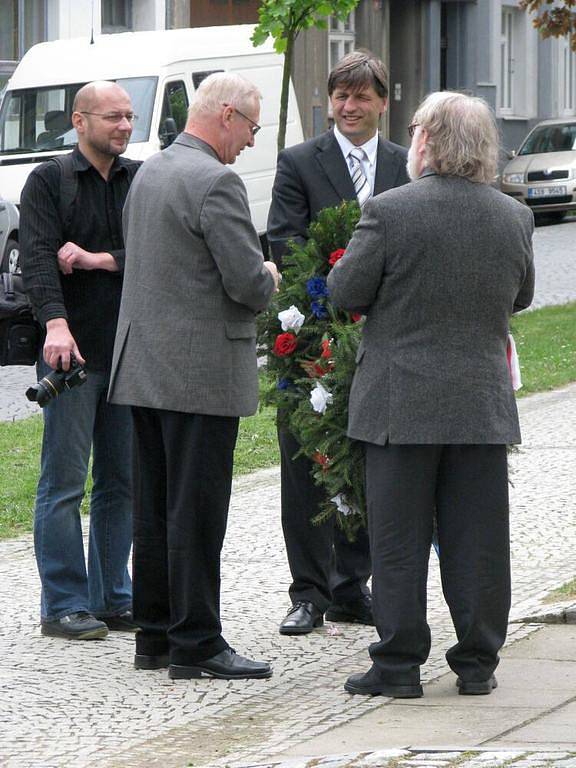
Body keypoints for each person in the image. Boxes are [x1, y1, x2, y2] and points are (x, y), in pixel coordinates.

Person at [328, 91, 535, 698]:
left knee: (399, 541)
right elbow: (519, 297)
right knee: (479, 542)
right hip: (479, 402)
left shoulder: (389, 211)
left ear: (429, 141)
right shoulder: (512, 216)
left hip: (399, 404)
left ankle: (397, 667)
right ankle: (477, 665)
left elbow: (345, 292)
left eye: (416, 129)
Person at [108, 72, 279, 680]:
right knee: (197, 511)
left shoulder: (149, 171)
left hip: (145, 368)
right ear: (227, 114)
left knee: (153, 510)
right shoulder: (216, 180)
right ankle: (199, 643)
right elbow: (246, 283)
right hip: (199, 372)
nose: (252, 143)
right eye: (253, 128)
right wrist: (270, 274)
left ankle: (153, 637)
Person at [267, 51, 410, 636]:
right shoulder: (299, 161)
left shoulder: (405, 165)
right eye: (340, 97)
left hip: (384, 335)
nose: (349, 108)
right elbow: (284, 240)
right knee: (306, 460)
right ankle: (309, 591)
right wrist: (335, 297)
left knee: (369, 458)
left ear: (383, 101)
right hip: (311, 336)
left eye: (361, 97)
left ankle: (354, 585)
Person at [19, 81, 140, 640]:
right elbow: (38, 258)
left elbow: (149, 252)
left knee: (122, 480)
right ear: (80, 120)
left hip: (127, 351)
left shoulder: (138, 179)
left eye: (129, 117)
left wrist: (96, 259)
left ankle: (112, 596)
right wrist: (55, 324)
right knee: (64, 481)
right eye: (113, 117)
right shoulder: (49, 180)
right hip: (68, 355)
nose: (123, 126)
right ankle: (64, 603)